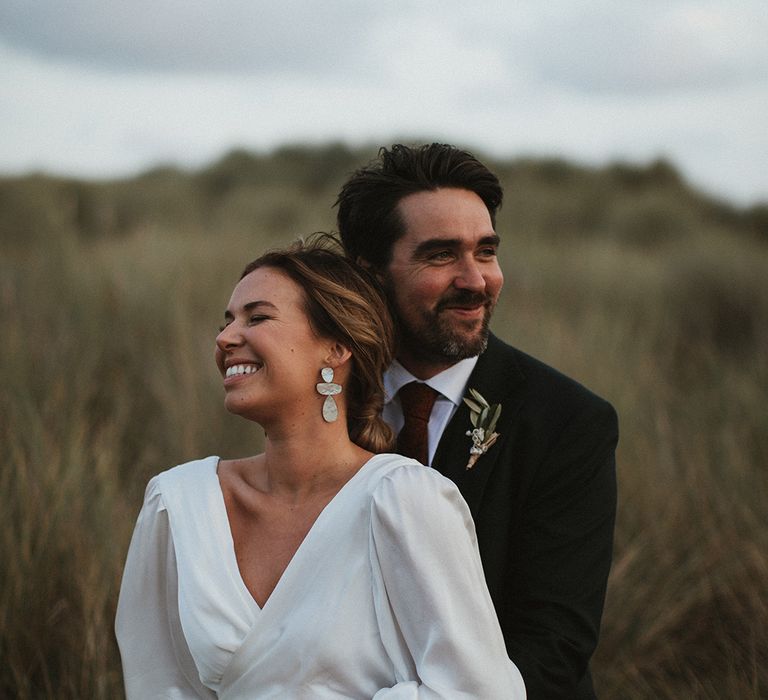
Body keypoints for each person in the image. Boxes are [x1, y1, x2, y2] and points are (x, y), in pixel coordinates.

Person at [115, 237, 525, 699]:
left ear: (336, 349)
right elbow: (157, 683)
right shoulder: (179, 503)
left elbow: (481, 691)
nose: (225, 338)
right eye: (227, 321)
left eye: (258, 317)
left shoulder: (404, 499)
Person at [335, 144, 619, 699]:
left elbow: (553, 648)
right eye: (441, 256)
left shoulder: (567, 422)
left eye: (485, 252)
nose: (476, 280)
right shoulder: (329, 401)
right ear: (370, 275)